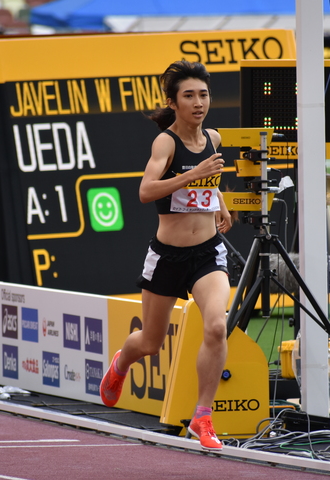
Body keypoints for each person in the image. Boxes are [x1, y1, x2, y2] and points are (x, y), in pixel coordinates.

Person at [99, 60, 232, 452]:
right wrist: (193, 175)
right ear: (173, 102)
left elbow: (208, 178)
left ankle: (202, 417)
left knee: (216, 327)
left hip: (208, 252)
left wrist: (219, 201)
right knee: (151, 342)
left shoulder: (214, 138)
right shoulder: (166, 142)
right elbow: (146, 191)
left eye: (203, 94)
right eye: (188, 95)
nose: (198, 102)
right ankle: (122, 361)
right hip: (168, 256)